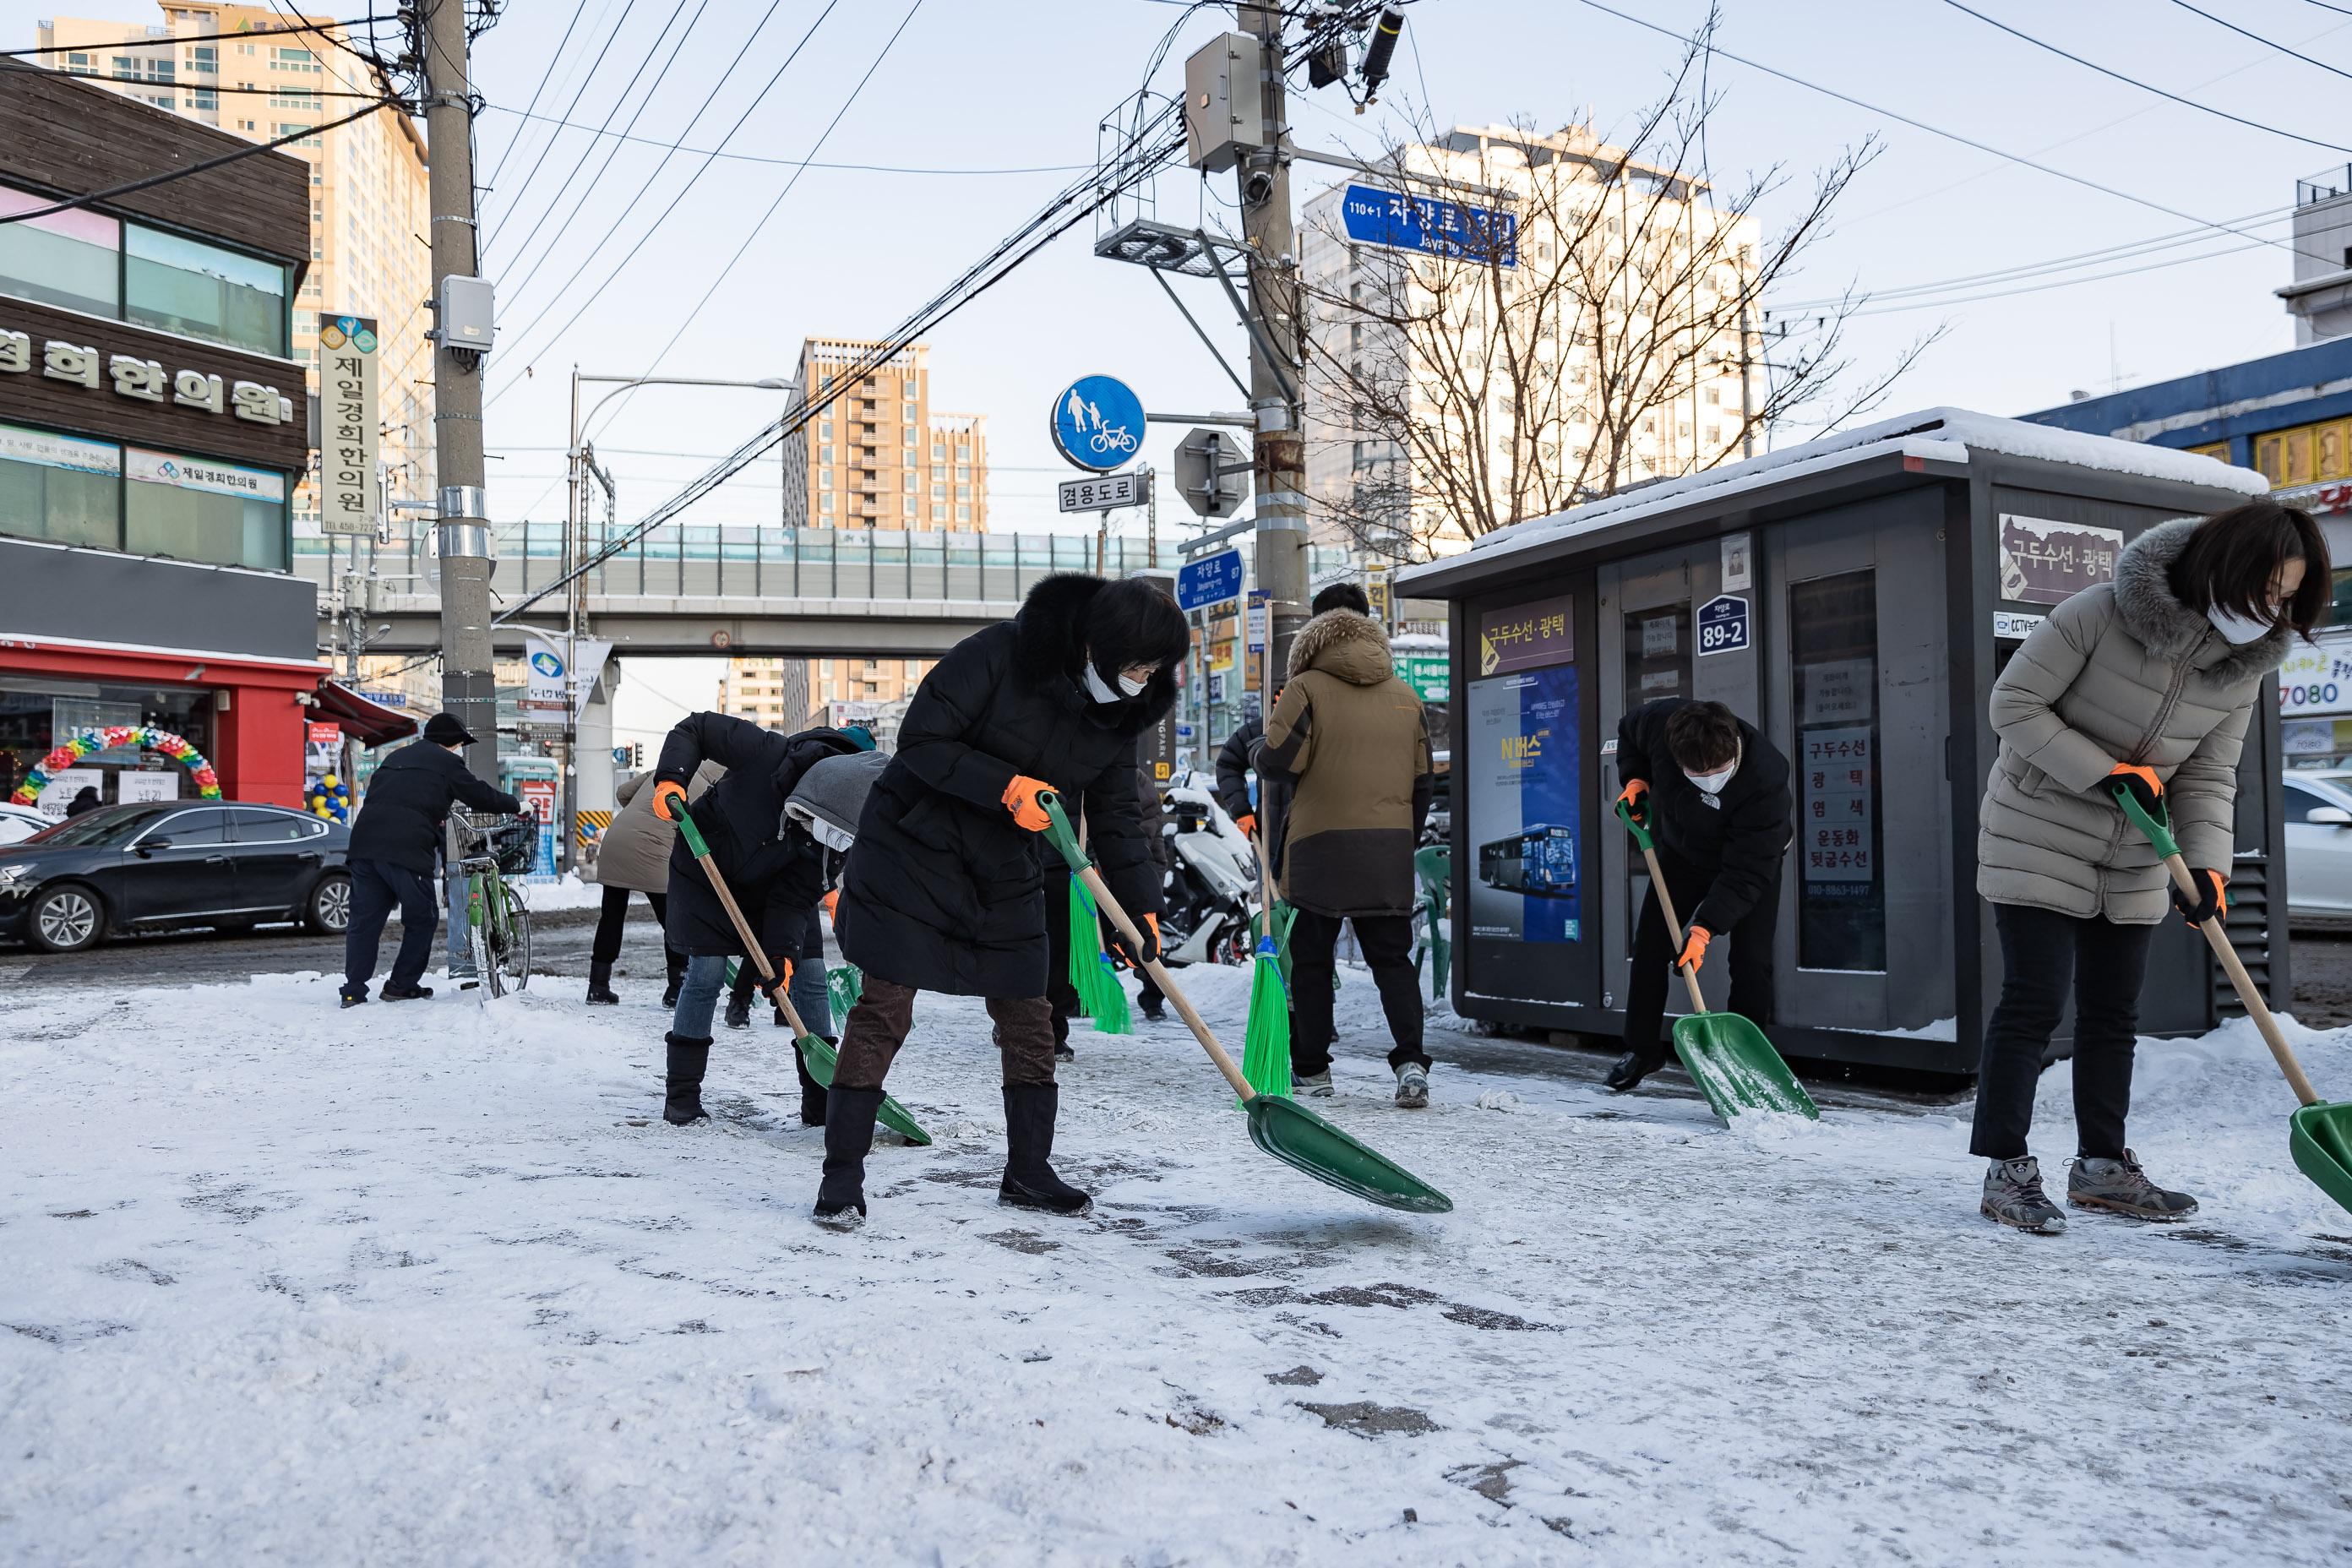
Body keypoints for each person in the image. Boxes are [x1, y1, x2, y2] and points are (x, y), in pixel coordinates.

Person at [1973, 501, 2327, 1232]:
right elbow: (2014, 703)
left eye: (2289, 598)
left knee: (2112, 1014)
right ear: (2224, 569)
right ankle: (2007, 1169)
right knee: (2035, 1002)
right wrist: (2107, 771)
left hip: (2139, 849)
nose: (2273, 611)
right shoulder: (2097, 613)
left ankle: (2102, 1167)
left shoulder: (2241, 669)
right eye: (2267, 590)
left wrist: (2207, 869)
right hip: (2036, 828)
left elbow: (2209, 777)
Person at [819, 574, 1186, 1229]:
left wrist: (1138, 908)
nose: (1142, 678)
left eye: (1153, 669)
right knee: (884, 1010)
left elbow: (1116, 814)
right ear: (1099, 646)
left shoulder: (1122, 714)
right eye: (1136, 664)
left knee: (1030, 1015)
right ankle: (841, 1177)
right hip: (914, 852)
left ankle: (1028, 1171)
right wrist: (1005, 786)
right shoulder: (999, 653)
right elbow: (923, 743)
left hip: (1008, 869)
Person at [1253, 596, 1436, 1108]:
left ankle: (1312, 1070)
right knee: (1393, 962)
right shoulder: (1406, 695)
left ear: (1313, 641)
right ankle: (1411, 1065)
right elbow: (1424, 783)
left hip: (1319, 849)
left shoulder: (1305, 688)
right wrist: (1402, 836)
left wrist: (1259, 747)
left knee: (1312, 962)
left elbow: (1278, 764)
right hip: (1388, 851)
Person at [648, 714, 867, 1129]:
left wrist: (783, 955)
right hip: (707, 871)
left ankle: (820, 1103)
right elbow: (696, 729)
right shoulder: (767, 752)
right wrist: (672, 780)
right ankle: (682, 1097)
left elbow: (793, 898)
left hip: (774, 892)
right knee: (707, 973)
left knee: (811, 975)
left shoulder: (836, 832)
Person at [1607, 699, 1791, 1093]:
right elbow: (1628, 734)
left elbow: (1749, 870)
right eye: (1696, 772)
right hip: (1682, 854)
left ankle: (1748, 1063)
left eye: (1719, 769)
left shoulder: (1766, 778)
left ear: (1733, 749)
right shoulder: (1660, 724)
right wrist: (1636, 780)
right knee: (1651, 945)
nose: (1708, 777)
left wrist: (1705, 929)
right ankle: (1643, 1049)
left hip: (1748, 863)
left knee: (1751, 960)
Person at [340, 711, 521, 1007]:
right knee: (422, 917)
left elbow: (395, 796)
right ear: (452, 743)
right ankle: (401, 984)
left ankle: (353, 990)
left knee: (364, 922)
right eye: (461, 743)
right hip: (406, 849)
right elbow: (479, 796)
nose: (461, 749)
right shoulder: (447, 762)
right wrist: (516, 804)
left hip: (364, 847)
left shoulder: (395, 758)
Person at [585, 764, 721, 1009]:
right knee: (673, 921)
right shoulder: (709, 790)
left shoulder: (665, 772)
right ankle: (676, 989)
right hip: (652, 850)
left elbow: (623, 792)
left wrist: (643, 812)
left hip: (616, 841)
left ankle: (598, 986)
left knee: (611, 918)